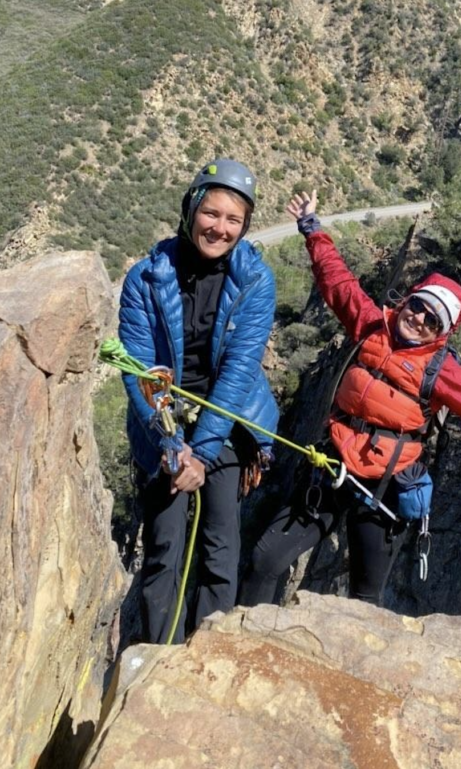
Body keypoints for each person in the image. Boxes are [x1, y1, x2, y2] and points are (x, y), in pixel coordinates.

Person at [241, 189, 461, 609]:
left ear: (443, 332)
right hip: (335, 465)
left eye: (433, 319)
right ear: (407, 300)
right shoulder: (372, 324)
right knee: (266, 559)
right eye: (417, 306)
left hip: (386, 486)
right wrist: (311, 229)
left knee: (363, 596)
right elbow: (337, 283)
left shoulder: (441, 369)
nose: (418, 319)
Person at [119, 158, 279, 643]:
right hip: (161, 417)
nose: (220, 228)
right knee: (165, 545)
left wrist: (203, 452)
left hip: (227, 418)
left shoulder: (255, 280)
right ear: (191, 211)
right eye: (212, 214)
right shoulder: (145, 278)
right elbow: (139, 368)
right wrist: (171, 447)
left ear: (245, 226)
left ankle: (209, 650)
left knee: (219, 541)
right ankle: (156, 656)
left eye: (234, 220)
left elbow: (238, 370)